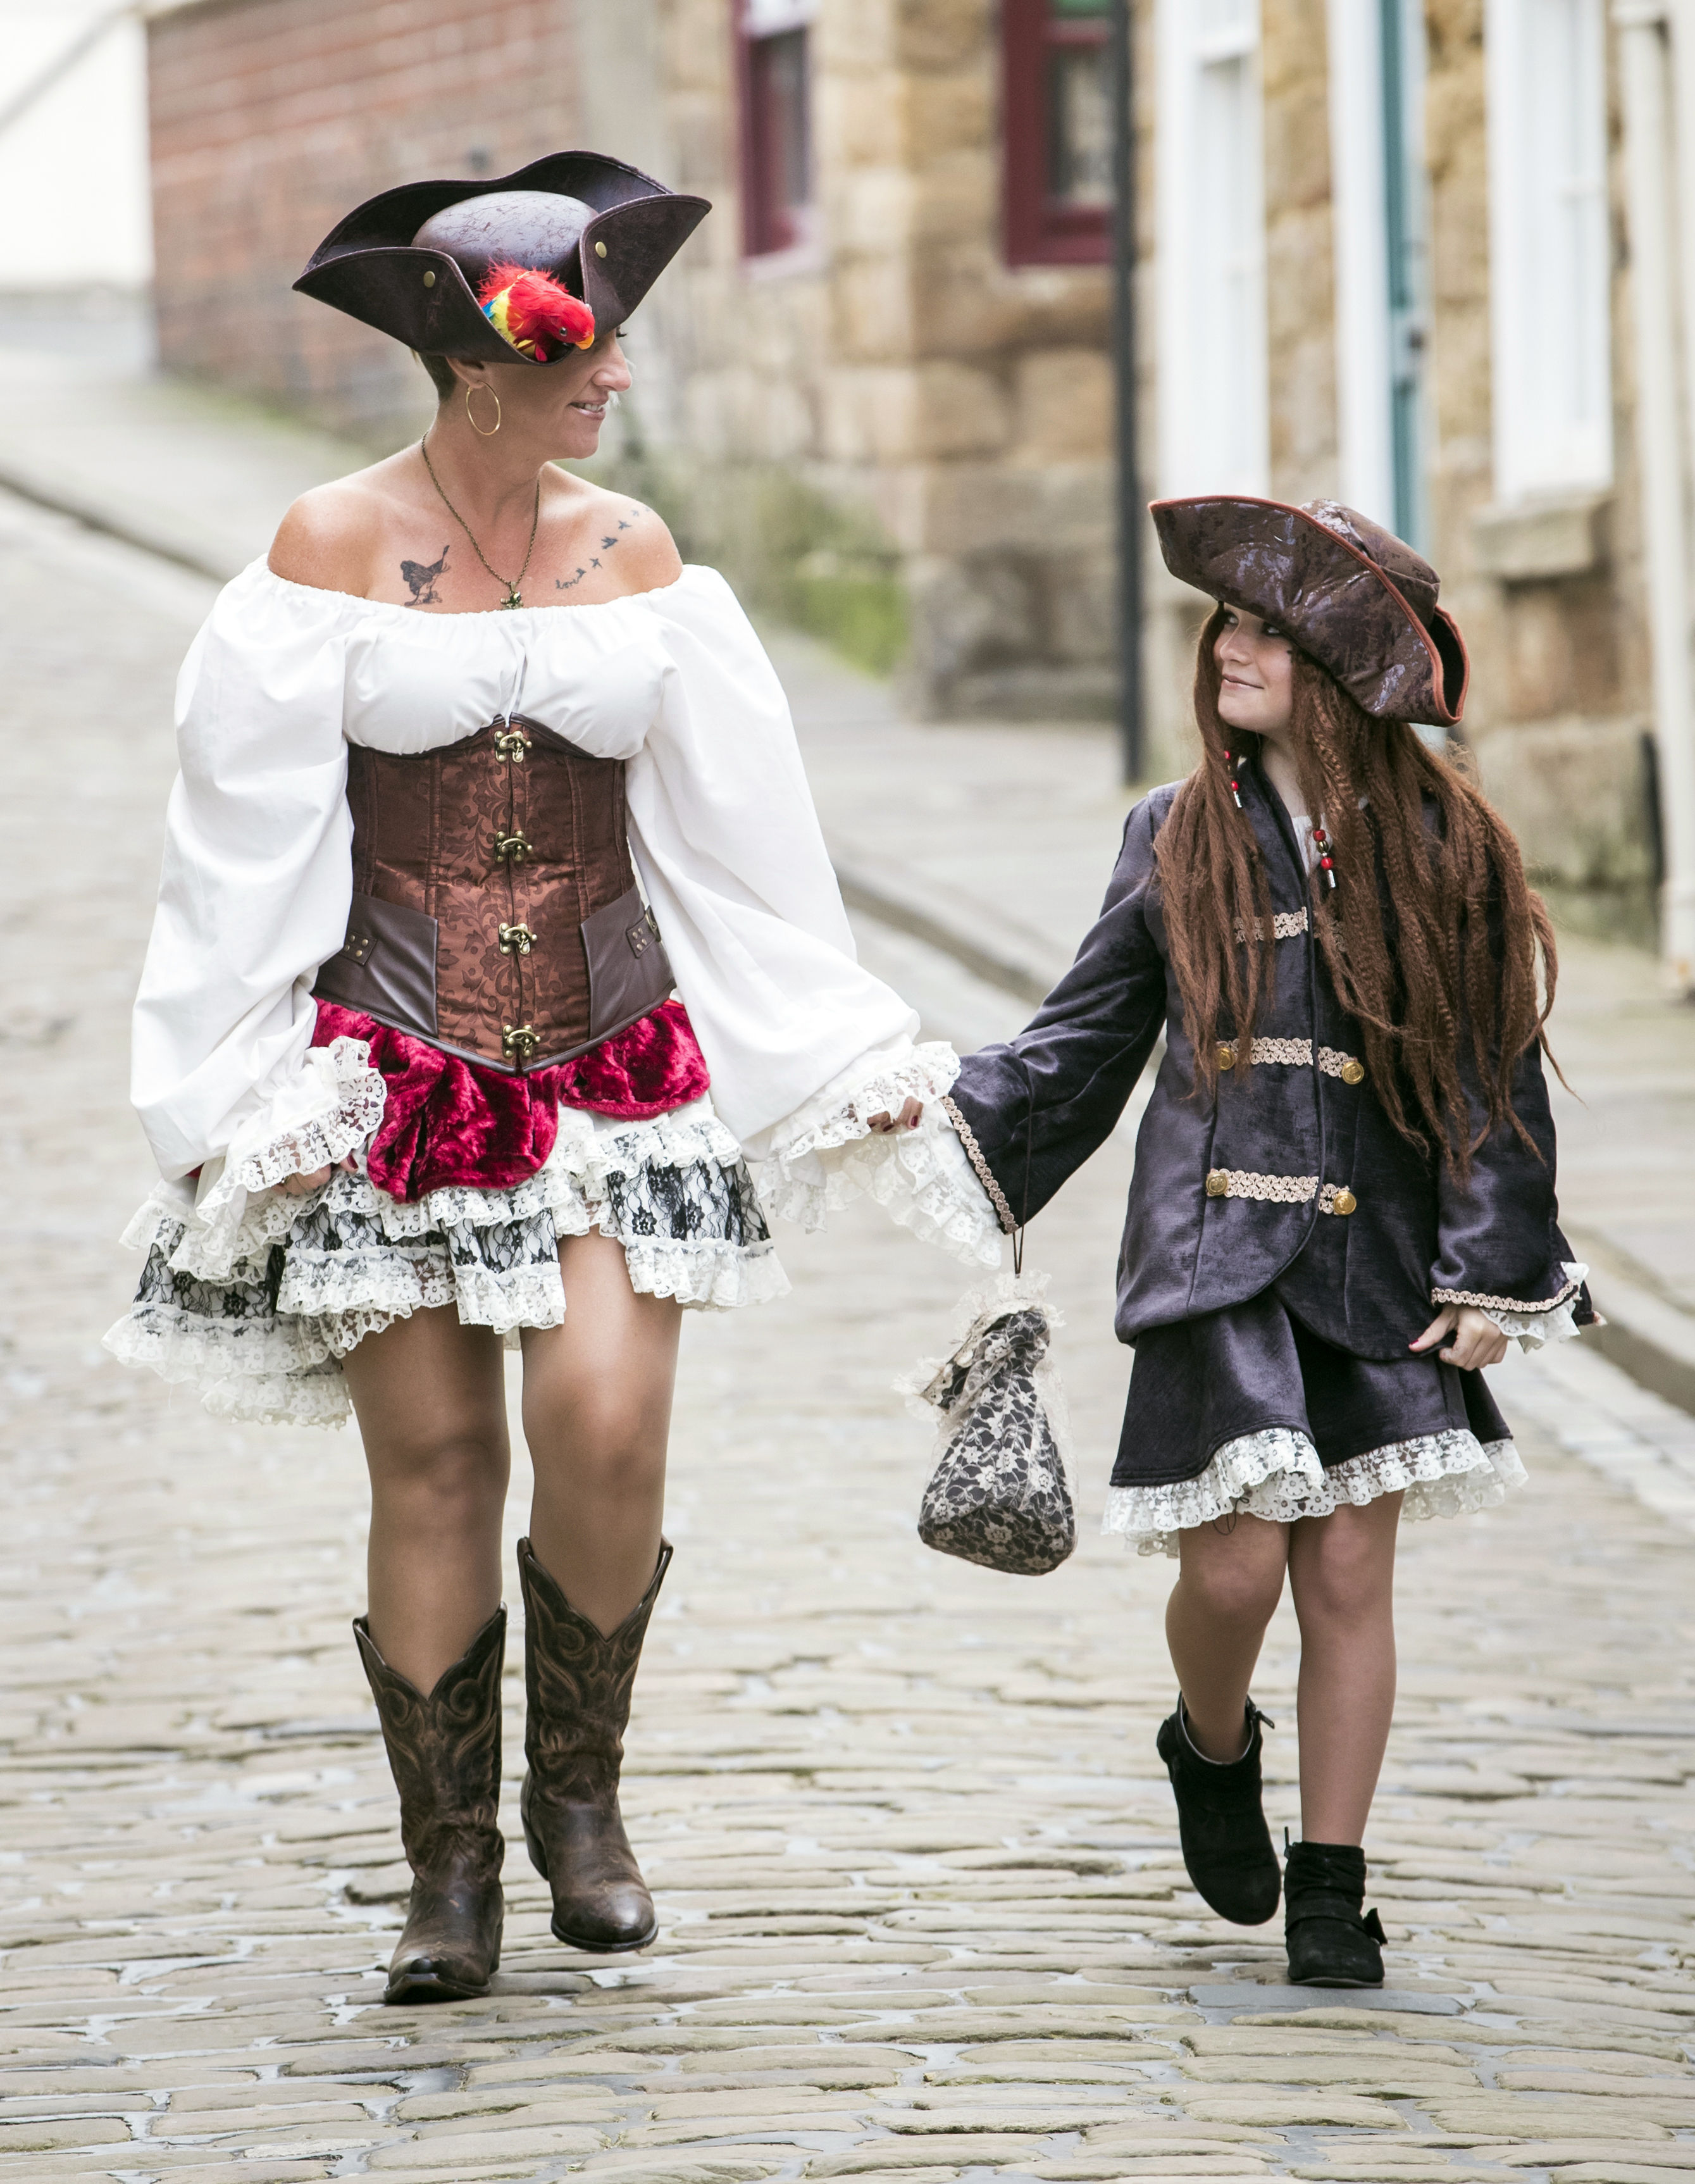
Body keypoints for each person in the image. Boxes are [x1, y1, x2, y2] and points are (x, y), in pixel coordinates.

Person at [106, 153, 997, 2005]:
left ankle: (577, 1804)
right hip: (396, 1073)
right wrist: (230, 1094)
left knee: (604, 1416)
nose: (613, 377)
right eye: (582, 350)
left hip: (608, 1061)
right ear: (474, 367)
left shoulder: (640, 559)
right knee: (434, 1457)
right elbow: (241, 851)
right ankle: (450, 1876)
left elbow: (734, 841)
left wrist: (838, 1044)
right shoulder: (324, 552)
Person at [941, 496, 1592, 1987]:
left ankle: (1331, 1884)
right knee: (1231, 1573)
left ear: (1342, 666)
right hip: (1212, 1258)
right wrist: (942, 1115)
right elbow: (1083, 1039)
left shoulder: (1444, 843)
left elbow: (1491, 1069)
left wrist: (1494, 1267)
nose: (1229, 647)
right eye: (1223, 624)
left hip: (1382, 1272)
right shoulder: (1171, 834)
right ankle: (1209, 1742)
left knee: (1348, 1575)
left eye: (1265, 630)